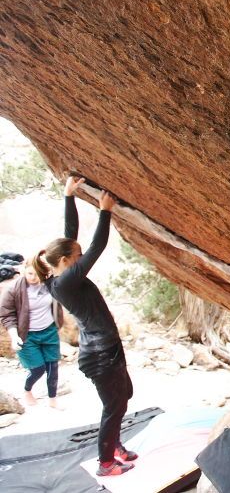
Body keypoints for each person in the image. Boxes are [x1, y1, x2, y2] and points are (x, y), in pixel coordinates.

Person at [32, 176, 137, 476]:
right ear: (65, 262)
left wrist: (69, 196)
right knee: (113, 406)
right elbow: (96, 247)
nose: (80, 260)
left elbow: (71, 237)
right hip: (100, 355)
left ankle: (115, 445)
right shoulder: (65, 282)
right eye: (75, 258)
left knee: (124, 396)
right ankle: (106, 463)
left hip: (106, 348)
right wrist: (105, 211)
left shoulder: (60, 274)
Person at [1, 260, 65, 408]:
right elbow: (6, 315)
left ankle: (53, 399)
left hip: (49, 331)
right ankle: (27, 390)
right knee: (38, 368)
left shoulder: (50, 284)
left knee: (52, 366)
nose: (33, 277)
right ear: (24, 270)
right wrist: (14, 336)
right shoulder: (13, 289)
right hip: (27, 335)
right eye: (30, 273)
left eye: (38, 274)